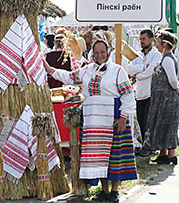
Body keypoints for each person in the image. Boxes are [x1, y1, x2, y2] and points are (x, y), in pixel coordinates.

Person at [44, 39, 137, 203]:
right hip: (93, 119)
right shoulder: (86, 71)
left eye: (103, 52)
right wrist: (50, 70)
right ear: (92, 54)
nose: (100, 55)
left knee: (114, 154)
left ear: (108, 53)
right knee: (98, 155)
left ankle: (114, 191)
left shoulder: (117, 71)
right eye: (97, 52)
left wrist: (123, 117)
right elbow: (68, 77)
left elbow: (128, 94)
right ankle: (104, 190)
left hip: (113, 117)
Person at [142, 31, 179, 164]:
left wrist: (177, 88)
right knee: (162, 124)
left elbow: (172, 79)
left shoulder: (167, 59)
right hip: (162, 98)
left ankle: (171, 154)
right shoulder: (166, 58)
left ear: (164, 44)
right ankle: (163, 153)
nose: (157, 45)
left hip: (166, 98)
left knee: (168, 125)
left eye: (158, 42)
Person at [127, 29, 162, 142]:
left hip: (150, 92)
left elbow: (151, 70)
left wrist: (138, 75)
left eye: (144, 39)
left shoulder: (156, 54)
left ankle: (150, 145)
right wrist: (142, 67)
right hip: (140, 93)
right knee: (141, 121)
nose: (142, 41)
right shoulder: (139, 54)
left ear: (151, 40)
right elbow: (129, 69)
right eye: (140, 39)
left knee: (149, 121)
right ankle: (145, 144)